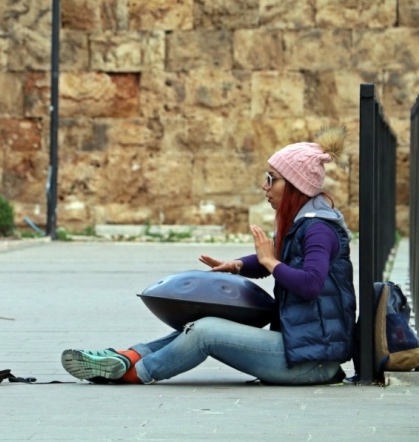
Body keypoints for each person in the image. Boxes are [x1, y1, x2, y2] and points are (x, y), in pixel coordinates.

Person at [61, 127, 356, 386]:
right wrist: (239, 265)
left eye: (271, 179)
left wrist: (270, 262)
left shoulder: (319, 229)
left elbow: (311, 283)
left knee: (205, 333)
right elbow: (278, 257)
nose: (265, 186)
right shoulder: (302, 223)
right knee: (202, 320)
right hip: (301, 350)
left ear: (294, 186)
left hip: (310, 363)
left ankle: (133, 373)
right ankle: (129, 356)